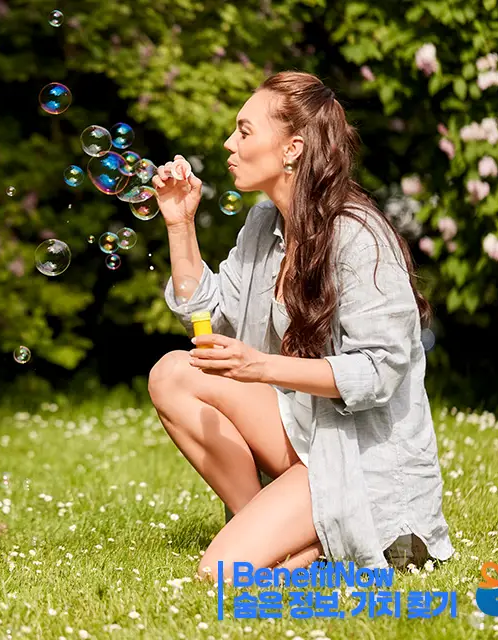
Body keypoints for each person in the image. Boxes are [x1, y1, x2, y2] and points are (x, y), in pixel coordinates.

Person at [148, 71, 454, 582]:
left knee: (216, 573)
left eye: (244, 131)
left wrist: (263, 366)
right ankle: (280, 526)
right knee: (172, 373)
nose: (229, 142)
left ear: (292, 149)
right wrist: (179, 224)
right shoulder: (263, 224)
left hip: (353, 457)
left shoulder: (359, 237)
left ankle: (314, 533)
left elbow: (379, 373)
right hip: (299, 434)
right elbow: (209, 325)